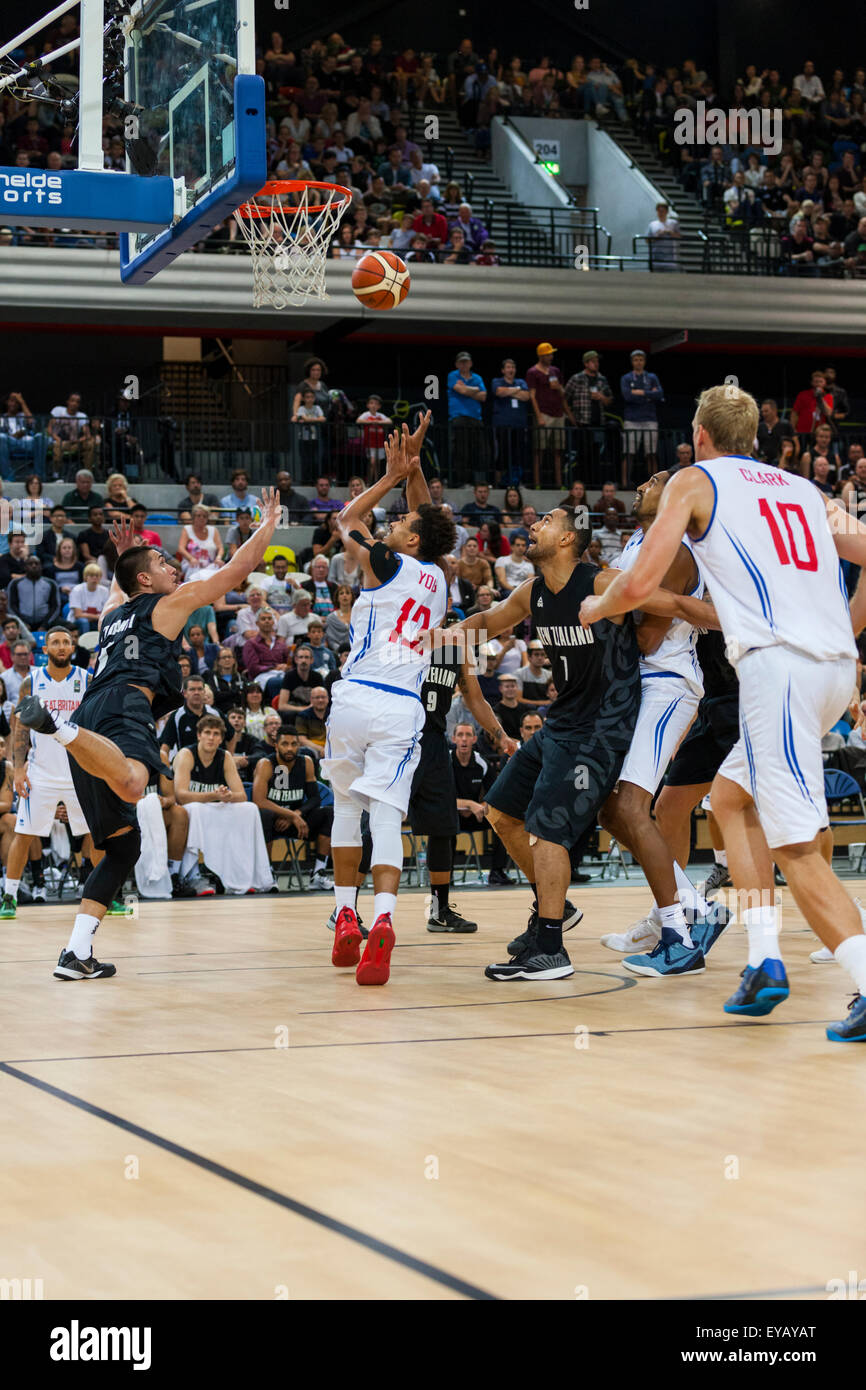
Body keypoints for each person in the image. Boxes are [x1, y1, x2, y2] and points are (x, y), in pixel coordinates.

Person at [578, 383, 866, 1041]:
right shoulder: (805, 491)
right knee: (729, 800)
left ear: (700, 436)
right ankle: (763, 959)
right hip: (830, 673)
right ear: (755, 439)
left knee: (794, 847)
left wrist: (599, 607)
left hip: (778, 666)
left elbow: (644, 580)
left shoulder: (695, 481)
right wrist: (845, 632)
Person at [438, 505, 711, 981]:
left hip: (602, 728)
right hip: (562, 720)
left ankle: (550, 948)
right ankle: (555, 907)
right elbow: (488, 620)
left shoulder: (604, 584)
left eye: (547, 520)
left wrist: (745, 623)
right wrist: (436, 639)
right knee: (502, 812)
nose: (535, 524)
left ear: (568, 539)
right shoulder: (533, 591)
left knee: (550, 827)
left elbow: (672, 605)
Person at [15, 493, 281, 980]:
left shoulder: (110, 615)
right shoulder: (171, 603)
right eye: (162, 561)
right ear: (146, 579)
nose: (173, 565)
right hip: (120, 707)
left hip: (93, 711)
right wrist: (268, 523)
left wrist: (125, 555)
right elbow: (238, 569)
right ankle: (58, 728)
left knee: (123, 847)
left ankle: (76, 952)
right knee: (137, 785)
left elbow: (120, 588)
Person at [321, 417, 455, 986]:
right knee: (388, 816)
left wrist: (389, 475)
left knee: (348, 810)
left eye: (400, 522)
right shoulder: (440, 578)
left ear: (410, 540)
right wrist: (415, 471)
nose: (395, 522)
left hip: (354, 697)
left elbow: (345, 518)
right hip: (404, 705)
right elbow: (429, 521)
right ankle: (383, 923)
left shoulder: (388, 561)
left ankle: (344, 912)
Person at [596, 472, 728, 973]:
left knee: (632, 804)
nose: (644, 482)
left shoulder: (675, 550)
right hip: (636, 682)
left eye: (657, 480)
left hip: (665, 682)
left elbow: (647, 638)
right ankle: (692, 908)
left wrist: (609, 604)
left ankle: (679, 929)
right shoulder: (636, 541)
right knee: (613, 809)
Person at [407, 609, 516, 932]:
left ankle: (439, 910)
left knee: (444, 827)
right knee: (377, 822)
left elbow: (475, 698)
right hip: (400, 737)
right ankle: (347, 908)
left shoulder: (456, 648)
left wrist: (500, 735)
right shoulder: (405, 638)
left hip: (435, 740)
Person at [0, 627, 92, 918]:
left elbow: (95, 725)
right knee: (24, 834)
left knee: (95, 835)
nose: (61, 646)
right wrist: (17, 770)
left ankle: (105, 895)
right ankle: (9, 897)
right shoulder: (32, 682)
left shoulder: (86, 679)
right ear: (46, 649)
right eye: (55, 642)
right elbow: (20, 729)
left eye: (66, 642)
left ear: (73, 646)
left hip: (80, 772)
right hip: (41, 773)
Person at [173, 714, 275, 895]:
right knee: (195, 809)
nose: (211, 737)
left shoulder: (225, 756)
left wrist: (227, 796)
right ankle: (190, 875)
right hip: (190, 808)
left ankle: (246, 874)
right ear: (199, 735)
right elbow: (180, 795)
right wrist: (213, 795)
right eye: (207, 733)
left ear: (221, 738)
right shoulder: (186, 754)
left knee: (249, 809)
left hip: (212, 806)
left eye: (216, 734)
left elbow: (241, 795)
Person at [253, 725, 334, 890]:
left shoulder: (307, 762)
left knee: (329, 813)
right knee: (264, 814)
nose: (289, 748)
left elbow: (315, 798)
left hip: (296, 823)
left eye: (293, 744)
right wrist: (292, 815)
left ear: (299, 745)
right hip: (272, 824)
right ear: (276, 745)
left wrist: (296, 815)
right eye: (284, 744)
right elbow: (259, 801)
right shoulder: (266, 764)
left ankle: (318, 873)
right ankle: (266, 874)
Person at [527, 342, 574, 489]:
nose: (551, 356)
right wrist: (539, 416)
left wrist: (559, 388)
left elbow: (563, 394)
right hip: (544, 414)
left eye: (552, 354)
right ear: (541, 355)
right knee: (539, 450)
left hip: (558, 414)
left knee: (558, 450)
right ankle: (537, 483)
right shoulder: (533, 372)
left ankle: (559, 483)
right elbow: (532, 396)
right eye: (548, 354)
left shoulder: (555, 371)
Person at [620, 349, 664, 485]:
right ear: (632, 362)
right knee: (629, 453)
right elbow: (627, 396)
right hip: (632, 420)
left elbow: (659, 394)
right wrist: (649, 394)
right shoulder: (626, 378)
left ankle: (654, 485)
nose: (638, 362)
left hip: (649, 419)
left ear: (644, 361)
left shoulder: (652, 377)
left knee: (651, 454)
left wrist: (640, 392)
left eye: (641, 359)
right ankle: (625, 482)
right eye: (635, 360)